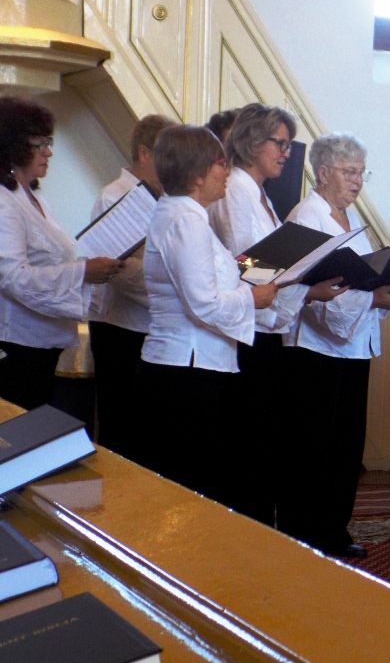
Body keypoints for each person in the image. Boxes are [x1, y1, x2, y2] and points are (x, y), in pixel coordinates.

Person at [208, 103, 344, 522]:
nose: (286, 153)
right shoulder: (235, 189)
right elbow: (243, 264)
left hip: (266, 328)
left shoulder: (260, 193)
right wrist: (299, 274)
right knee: (249, 447)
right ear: (252, 142)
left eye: (288, 145)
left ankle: (261, 531)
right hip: (246, 331)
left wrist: (306, 281)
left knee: (264, 444)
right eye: (280, 144)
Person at [280, 133, 390, 559]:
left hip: (353, 346)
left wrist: (382, 290)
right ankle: (302, 533)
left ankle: (334, 529)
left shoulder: (349, 219)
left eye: (361, 173)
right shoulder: (306, 217)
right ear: (323, 172)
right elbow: (305, 289)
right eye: (349, 172)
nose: (357, 181)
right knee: (311, 447)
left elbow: (357, 279)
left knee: (345, 445)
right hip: (313, 349)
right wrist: (371, 299)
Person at [137, 124, 277, 496]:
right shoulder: (186, 220)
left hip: (194, 365)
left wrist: (267, 268)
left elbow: (223, 268)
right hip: (186, 368)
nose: (227, 170)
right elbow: (204, 303)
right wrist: (253, 298)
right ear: (198, 173)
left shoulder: (189, 215)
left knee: (197, 481)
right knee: (188, 487)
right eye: (220, 162)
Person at [0, 97, 123, 410]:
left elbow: (51, 261)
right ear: (13, 147)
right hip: (17, 342)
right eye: (40, 144)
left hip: (42, 340)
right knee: (18, 427)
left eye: (48, 143)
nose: (49, 152)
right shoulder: (4, 202)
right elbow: (13, 278)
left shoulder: (33, 196)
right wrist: (83, 271)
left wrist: (87, 267)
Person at [88, 114, 175, 460]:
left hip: (150, 325)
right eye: (166, 153)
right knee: (120, 424)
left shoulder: (163, 198)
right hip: (119, 326)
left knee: (146, 428)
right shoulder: (115, 195)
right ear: (144, 153)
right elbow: (116, 267)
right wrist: (171, 294)